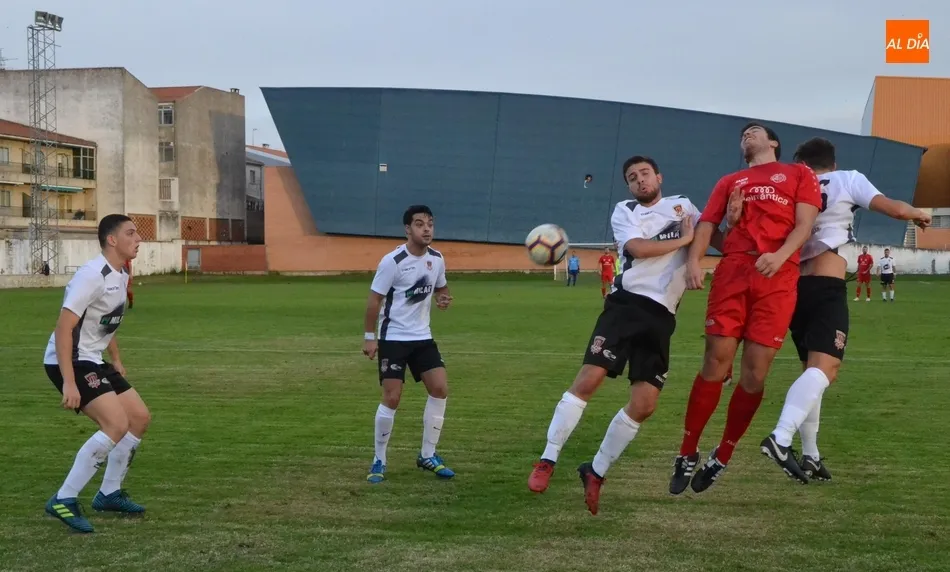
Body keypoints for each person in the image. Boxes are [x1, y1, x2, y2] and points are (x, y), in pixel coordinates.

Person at [526, 155, 730, 515]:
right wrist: (685, 238)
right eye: (632, 177)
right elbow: (638, 249)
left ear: (659, 176)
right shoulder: (626, 210)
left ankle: (596, 471)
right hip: (626, 305)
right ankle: (547, 459)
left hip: (663, 315)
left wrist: (734, 221)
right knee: (589, 379)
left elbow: (719, 238)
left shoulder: (684, 206)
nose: (640, 180)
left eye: (645, 174)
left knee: (644, 405)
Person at [759, 137, 930, 482]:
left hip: (792, 287)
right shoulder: (846, 179)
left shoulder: (792, 184)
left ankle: (811, 456)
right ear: (832, 164)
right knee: (827, 369)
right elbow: (895, 209)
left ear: (800, 163)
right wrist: (918, 214)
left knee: (813, 371)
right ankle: (780, 437)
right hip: (824, 285)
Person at [670, 122, 822, 495]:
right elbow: (706, 223)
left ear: (773, 142)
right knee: (715, 360)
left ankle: (722, 454)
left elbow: (805, 224)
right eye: (743, 134)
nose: (746, 136)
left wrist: (781, 255)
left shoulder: (798, 173)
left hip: (778, 275)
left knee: (754, 373)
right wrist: (694, 262)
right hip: (735, 270)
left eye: (754, 131)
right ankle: (687, 452)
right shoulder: (730, 180)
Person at [42, 214, 151, 534]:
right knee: (115, 423)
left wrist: (115, 358)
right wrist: (69, 382)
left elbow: (105, 320)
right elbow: (64, 328)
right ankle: (64, 498)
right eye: (131, 233)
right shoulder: (91, 275)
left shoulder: (121, 273)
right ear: (112, 240)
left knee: (139, 418)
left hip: (93, 358)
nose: (138, 239)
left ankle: (109, 493)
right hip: (70, 360)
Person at [362, 205, 455, 484]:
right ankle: (379, 459)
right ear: (407, 229)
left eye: (430, 224)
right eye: (419, 224)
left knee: (439, 389)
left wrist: (443, 298)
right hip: (393, 339)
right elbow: (374, 300)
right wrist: (370, 337)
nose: (426, 229)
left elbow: (441, 287)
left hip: (422, 337)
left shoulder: (437, 259)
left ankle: (428, 454)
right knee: (392, 398)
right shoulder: (393, 261)